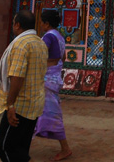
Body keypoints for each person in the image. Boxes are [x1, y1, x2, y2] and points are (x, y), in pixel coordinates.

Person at [0, 9, 49, 162]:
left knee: (5, 146)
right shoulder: (40, 42)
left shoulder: (21, 44)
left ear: (18, 25)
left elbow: (17, 77)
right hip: (35, 102)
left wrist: (10, 105)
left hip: (20, 104)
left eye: (13, 23)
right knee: (21, 146)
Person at [33, 9, 72, 160]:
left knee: (51, 114)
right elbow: (64, 57)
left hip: (46, 79)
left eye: (42, 22)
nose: (41, 25)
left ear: (46, 23)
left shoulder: (48, 37)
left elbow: (39, 54)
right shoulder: (59, 36)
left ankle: (65, 148)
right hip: (54, 77)